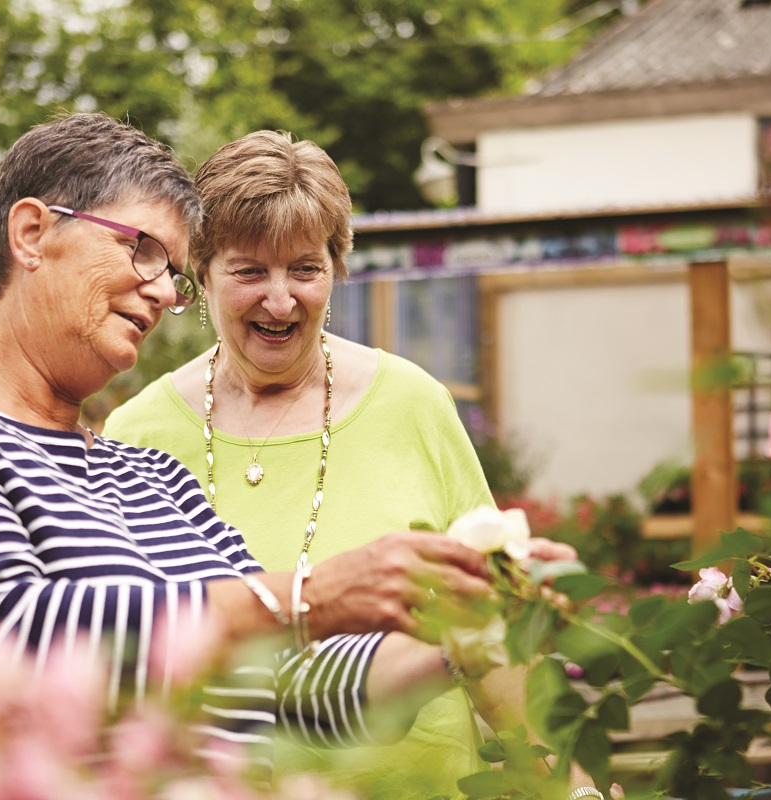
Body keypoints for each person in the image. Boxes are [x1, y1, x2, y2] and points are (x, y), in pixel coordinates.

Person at [0, 114, 554, 799]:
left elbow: (282, 680)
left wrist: (466, 632)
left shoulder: (148, 475)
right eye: (142, 250)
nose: (166, 292)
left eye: (172, 267)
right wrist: (311, 596)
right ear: (32, 233)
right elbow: (1, 642)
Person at [103, 130, 598, 800]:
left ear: (336, 268)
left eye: (304, 269)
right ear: (202, 271)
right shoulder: (137, 434)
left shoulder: (413, 406)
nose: (280, 301)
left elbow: (489, 628)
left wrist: (570, 784)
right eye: (250, 271)